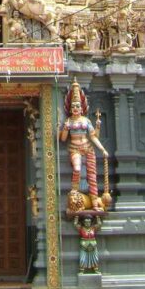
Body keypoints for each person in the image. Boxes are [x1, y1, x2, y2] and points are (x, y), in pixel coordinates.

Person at [59, 78, 108, 210]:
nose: (75, 108)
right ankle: (74, 193)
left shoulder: (86, 121)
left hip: (88, 147)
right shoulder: (69, 121)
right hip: (74, 148)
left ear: (82, 108)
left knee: (92, 175)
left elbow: (93, 136)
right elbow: (63, 139)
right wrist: (65, 129)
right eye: (73, 106)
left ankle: (95, 202)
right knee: (77, 168)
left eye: (78, 106)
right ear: (70, 109)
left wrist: (102, 149)